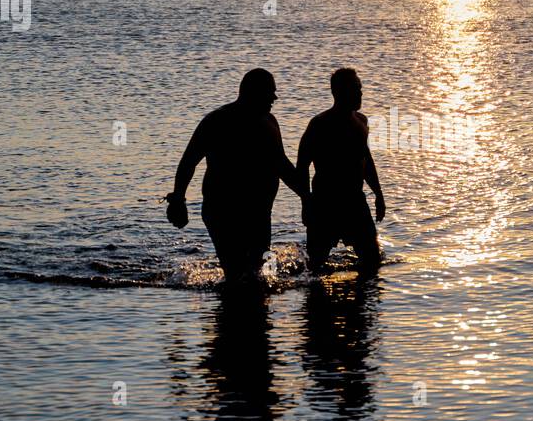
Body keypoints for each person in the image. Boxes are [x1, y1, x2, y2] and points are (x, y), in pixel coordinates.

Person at [165, 68, 306, 281]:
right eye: (269, 92)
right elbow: (188, 161)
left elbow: (282, 165)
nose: (274, 97)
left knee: (256, 271)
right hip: (223, 211)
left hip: (259, 211)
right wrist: (178, 199)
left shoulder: (269, 122)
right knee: (237, 272)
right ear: (252, 92)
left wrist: (307, 197)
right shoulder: (217, 121)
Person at [296, 68, 386, 272]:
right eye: (355, 89)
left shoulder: (361, 121)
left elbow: (366, 161)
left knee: (372, 260)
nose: (360, 93)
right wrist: (306, 202)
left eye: (360, 88)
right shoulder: (320, 124)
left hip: (355, 201)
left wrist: (379, 195)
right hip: (324, 202)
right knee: (315, 266)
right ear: (339, 92)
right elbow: (302, 165)